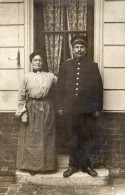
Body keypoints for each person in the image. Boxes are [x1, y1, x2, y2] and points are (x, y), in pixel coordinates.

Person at [56, 35, 103, 177]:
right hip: (70, 108)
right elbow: (60, 87)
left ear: (85, 49)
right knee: (72, 137)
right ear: (72, 49)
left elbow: (98, 87)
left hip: (87, 109)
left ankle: (86, 165)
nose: (79, 49)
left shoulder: (92, 65)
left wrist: (97, 107)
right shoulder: (65, 65)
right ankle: (72, 165)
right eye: (76, 47)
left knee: (86, 136)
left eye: (82, 47)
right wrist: (59, 105)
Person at [15, 51, 57, 175]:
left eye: (40, 60)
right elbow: (22, 95)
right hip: (31, 108)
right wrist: (23, 112)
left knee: (46, 136)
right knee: (32, 138)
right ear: (31, 62)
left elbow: (60, 89)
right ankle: (32, 166)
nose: (38, 62)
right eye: (35, 60)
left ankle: (47, 166)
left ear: (44, 62)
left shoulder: (51, 76)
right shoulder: (26, 77)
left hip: (47, 108)